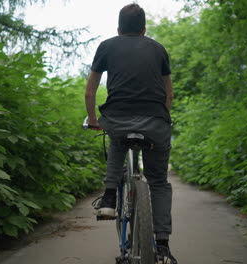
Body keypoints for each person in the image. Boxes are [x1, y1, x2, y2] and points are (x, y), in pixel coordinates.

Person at [84, 3, 177, 264]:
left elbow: (90, 92)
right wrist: (162, 118)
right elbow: (169, 94)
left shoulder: (106, 46)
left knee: (115, 139)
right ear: (144, 30)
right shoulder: (158, 49)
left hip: (117, 119)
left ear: (118, 29)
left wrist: (94, 120)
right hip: (156, 122)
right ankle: (162, 245)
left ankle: (110, 196)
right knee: (158, 181)